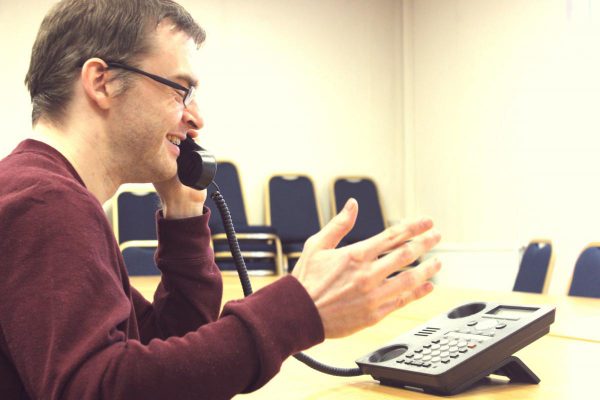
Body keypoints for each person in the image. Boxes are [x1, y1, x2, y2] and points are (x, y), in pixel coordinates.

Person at [0, 0, 441, 399]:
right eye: (179, 89)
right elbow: (100, 390)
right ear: (102, 82)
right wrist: (298, 309)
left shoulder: (44, 192)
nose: (196, 117)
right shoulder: (46, 204)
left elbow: (159, 352)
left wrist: (184, 214)